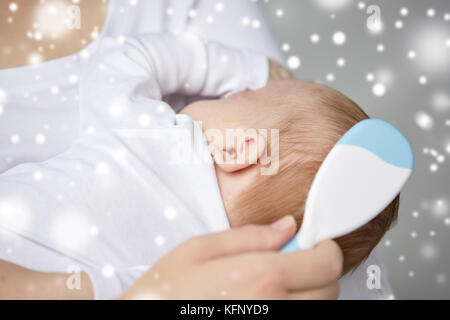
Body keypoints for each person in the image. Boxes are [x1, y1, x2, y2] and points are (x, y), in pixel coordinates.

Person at [0, 0, 393, 300]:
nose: (231, 92)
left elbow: (123, 60)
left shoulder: (159, 136)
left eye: (245, 95)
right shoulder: (225, 273)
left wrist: (250, 69)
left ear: (239, 149)